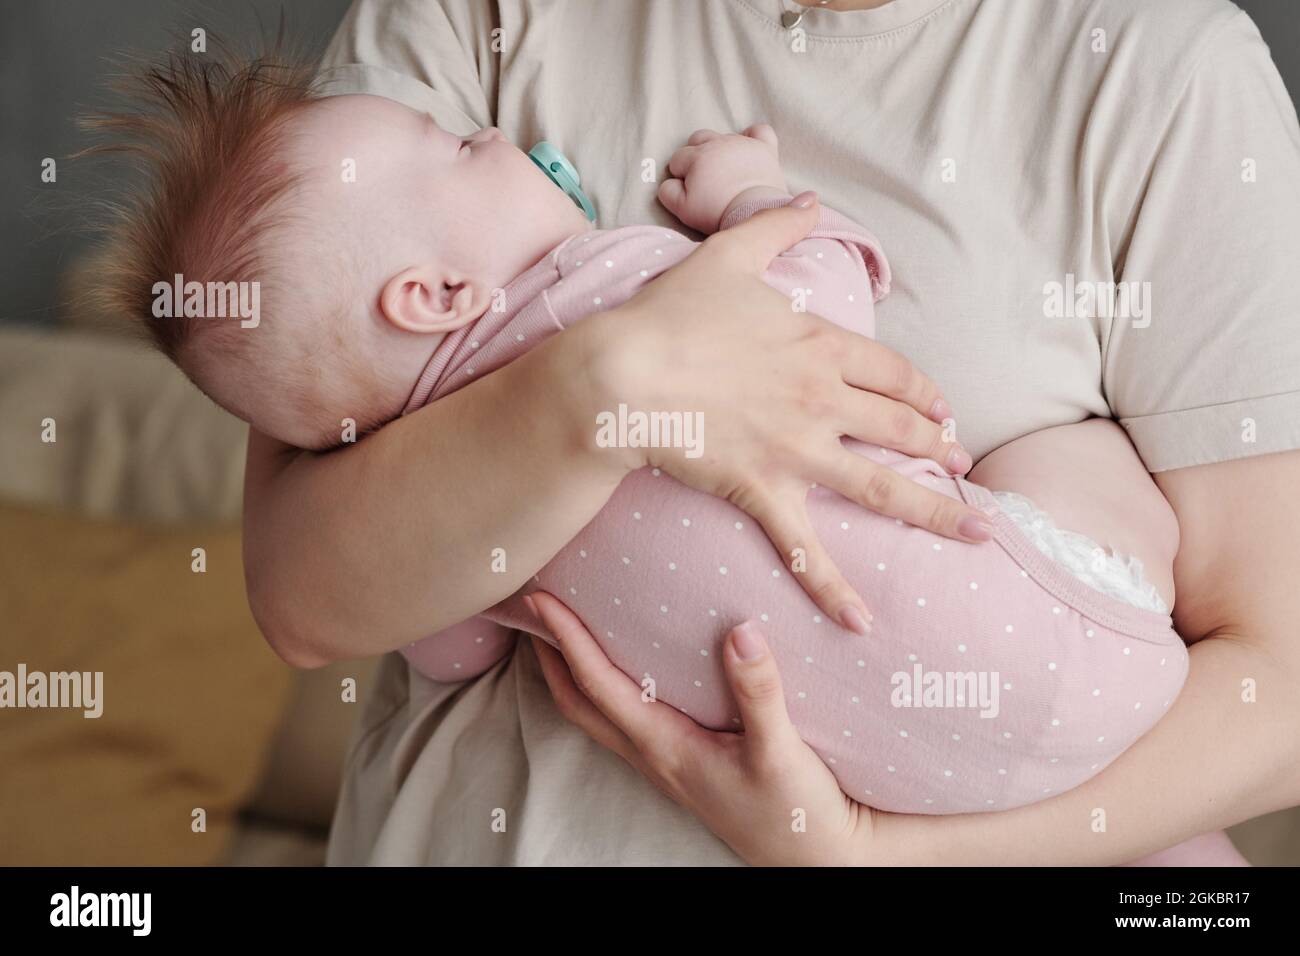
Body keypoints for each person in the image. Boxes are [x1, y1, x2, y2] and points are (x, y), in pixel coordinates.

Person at [243, 0, 1300, 865]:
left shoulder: (1160, 73)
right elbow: (301, 598)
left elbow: (1280, 688)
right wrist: (603, 387)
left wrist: (871, 857)